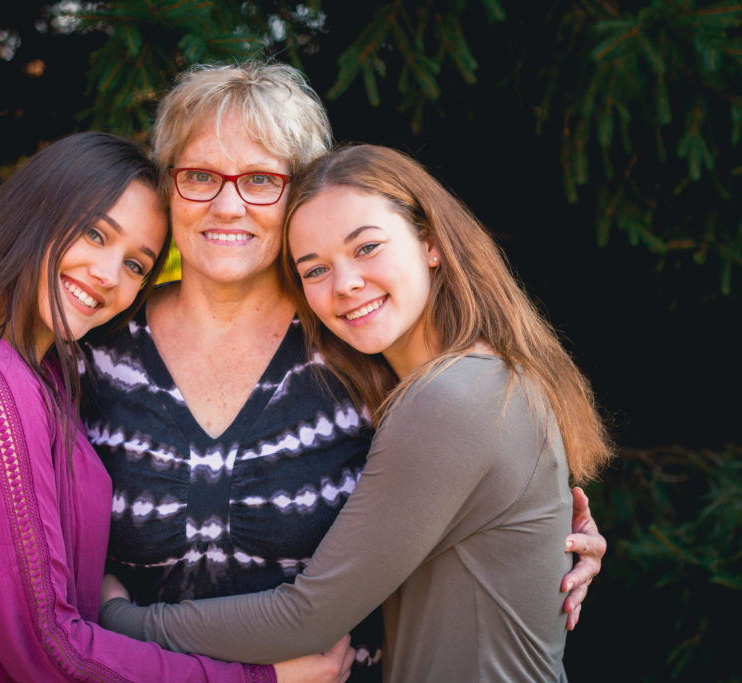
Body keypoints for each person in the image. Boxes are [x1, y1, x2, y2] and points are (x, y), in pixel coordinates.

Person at [0, 62, 607, 679]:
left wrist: (554, 539)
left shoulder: (362, 353)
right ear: (170, 188)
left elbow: (480, 485)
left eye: (262, 179)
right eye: (198, 175)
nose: (226, 203)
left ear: (301, 192)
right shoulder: (83, 355)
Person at [0, 130, 353, 682]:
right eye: (94, 233)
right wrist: (263, 680)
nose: (108, 276)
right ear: (32, 214)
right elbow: (48, 648)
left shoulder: (48, 373)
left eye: (137, 265)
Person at [97, 143, 615, 681]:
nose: (344, 284)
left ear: (431, 243)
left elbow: (305, 619)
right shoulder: (466, 381)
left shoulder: (454, 396)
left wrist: (115, 622)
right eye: (314, 269)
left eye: (366, 248)